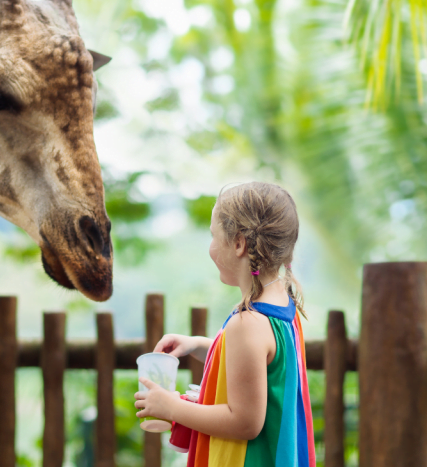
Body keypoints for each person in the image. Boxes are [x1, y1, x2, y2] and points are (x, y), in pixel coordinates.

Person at [134, 182, 316, 467]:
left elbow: (244, 422)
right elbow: (259, 370)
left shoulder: (248, 323)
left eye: (213, 236)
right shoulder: (282, 302)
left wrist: (172, 407)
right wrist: (198, 345)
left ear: (239, 243)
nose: (210, 246)